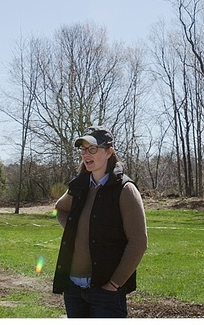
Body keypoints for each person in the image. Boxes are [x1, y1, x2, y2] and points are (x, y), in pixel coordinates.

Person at [53, 126, 148, 318]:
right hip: (73, 290)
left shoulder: (125, 190)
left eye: (92, 149)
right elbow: (60, 209)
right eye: (83, 150)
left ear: (109, 152)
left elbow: (138, 242)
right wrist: (76, 231)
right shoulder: (79, 186)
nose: (86, 154)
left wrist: (113, 285)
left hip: (106, 293)